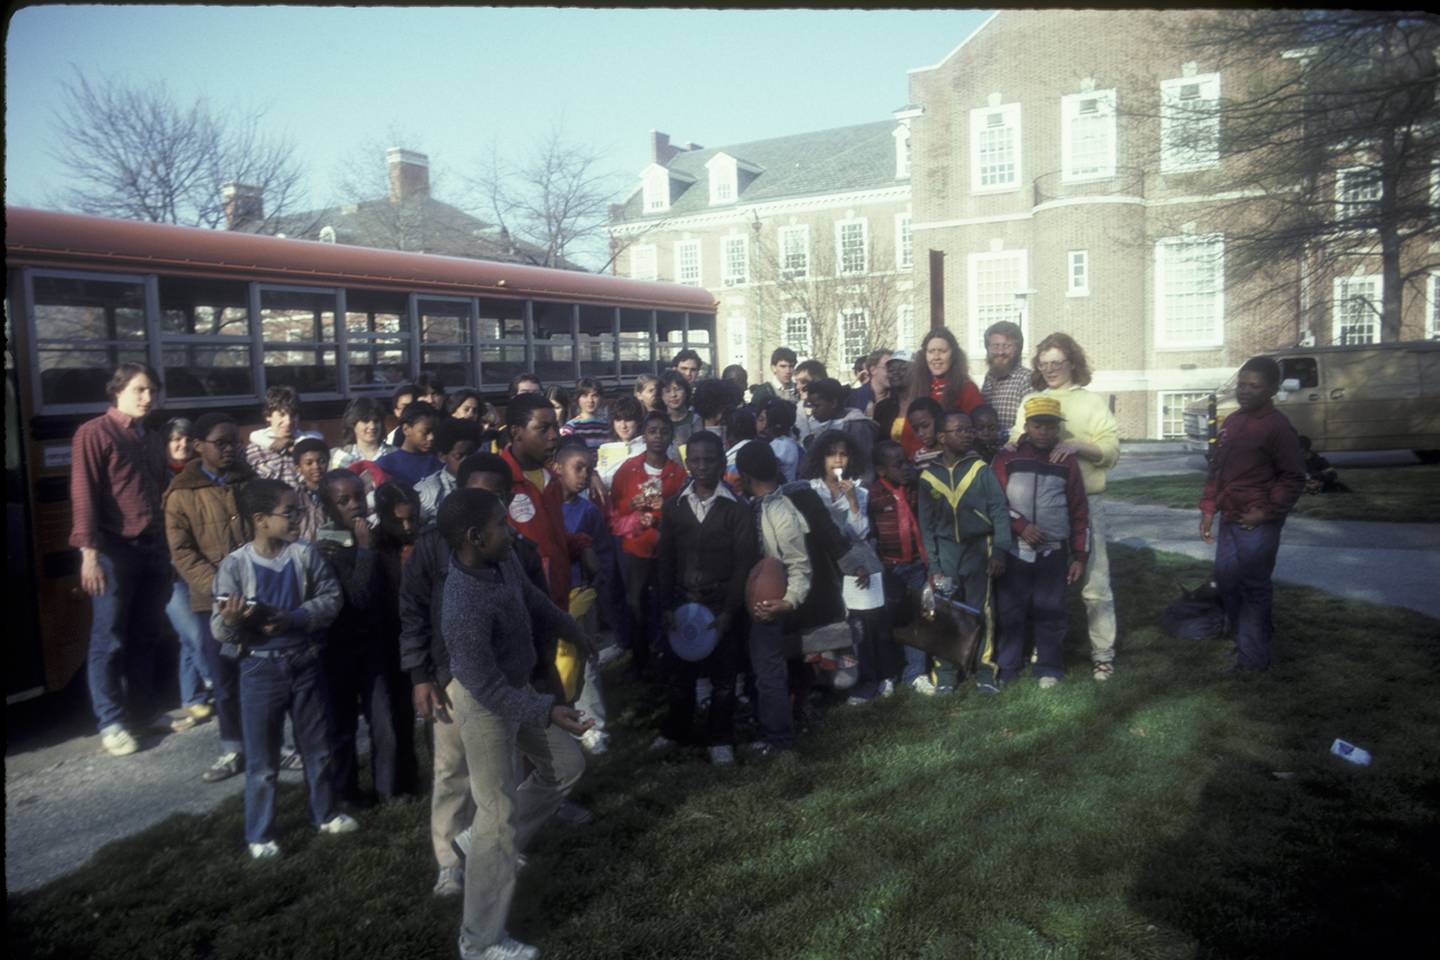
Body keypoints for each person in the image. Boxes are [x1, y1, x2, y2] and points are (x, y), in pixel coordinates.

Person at [439, 489, 593, 960]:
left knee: (566, 766)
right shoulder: (463, 603)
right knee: (499, 820)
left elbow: (530, 597)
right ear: (473, 536)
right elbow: (484, 689)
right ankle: (479, 941)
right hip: (486, 704)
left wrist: (570, 627)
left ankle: (478, 841)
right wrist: (546, 710)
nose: (511, 531)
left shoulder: (499, 561)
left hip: (516, 689)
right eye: (501, 525)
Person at [211, 478, 353, 859]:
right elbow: (218, 625)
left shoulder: (304, 556)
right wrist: (233, 620)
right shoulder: (235, 565)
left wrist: (295, 618)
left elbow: (331, 598)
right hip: (260, 670)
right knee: (262, 761)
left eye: (299, 511)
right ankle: (260, 834)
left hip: (305, 662)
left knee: (318, 748)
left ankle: (324, 814)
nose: (297, 518)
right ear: (260, 519)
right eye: (289, 513)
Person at [70, 362, 171, 756]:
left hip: (151, 547)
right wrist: (89, 556)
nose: (148, 398)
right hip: (113, 551)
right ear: (118, 391)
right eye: (140, 390)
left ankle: (144, 713)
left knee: (145, 635)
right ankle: (111, 722)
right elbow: (83, 495)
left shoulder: (149, 437)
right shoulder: (94, 433)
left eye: (152, 391)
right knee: (108, 639)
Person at [1011, 333, 1121, 682]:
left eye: (1057, 362)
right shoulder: (1031, 399)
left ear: (1073, 363)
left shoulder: (1090, 402)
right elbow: (1016, 442)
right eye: (1044, 364)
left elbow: (1111, 452)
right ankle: (1042, 649)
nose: (1051, 369)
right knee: (1036, 582)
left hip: (1086, 501)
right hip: (1038, 505)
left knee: (1094, 582)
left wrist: (1077, 445)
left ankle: (1102, 653)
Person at [652, 431, 756, 764]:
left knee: (724, 677)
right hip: (683, 602)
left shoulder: (736, 510)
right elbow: (665, 559)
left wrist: (729, 611)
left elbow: (744, 564)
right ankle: (676, 730)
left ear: (723, 463)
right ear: (687, 463)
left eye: (709, 460)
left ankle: (720, 737)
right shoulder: (675, 507)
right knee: (680, 676)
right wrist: (666, 605)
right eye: (694, 460)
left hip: (720, 602)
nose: (702, 467)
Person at [1199, 357, 1306, 674]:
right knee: (1226, 580)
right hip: (1229, 516)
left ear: (1271, 389)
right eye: (1241, 384)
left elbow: (1293, 477)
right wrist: (1208, 510)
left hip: (1256, 521)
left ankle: (1252, 660)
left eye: (1254, 386)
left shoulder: (1278, 427)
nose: (1244, 391)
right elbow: (1216, 471)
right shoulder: (1231, 422)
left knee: (1253, 587)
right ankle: (1251, 640)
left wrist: (1266, 512)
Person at [164, 412, 254, 777]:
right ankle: (233, 749)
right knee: (226, 680)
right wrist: (220, 588)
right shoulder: (181, 494)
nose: (231, 449)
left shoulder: (249, 482)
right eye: (221, 443)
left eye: (235, 441)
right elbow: (182, 551)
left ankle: (275, 744)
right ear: (199, 446)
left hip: (257, 594)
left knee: (262, 675)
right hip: (212, 602)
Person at [315, 469, 407, 804]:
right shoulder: (325, 548)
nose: (355, 506)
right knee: (341, 728)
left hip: (373, 649)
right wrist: (365, 551)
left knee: (384, 723)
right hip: (337, 652)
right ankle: (346, 793)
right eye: (343, 501)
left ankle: (389, 789)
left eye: (358, 497)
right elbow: (357, 595)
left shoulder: (371, 536)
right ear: (327, 507)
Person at [990, 397, 1090, 689]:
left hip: (1053, 550)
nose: (1044, 432)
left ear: (1057, 429)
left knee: (1051, 609)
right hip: (1014, 549)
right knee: (1010, 609)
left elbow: (1079, 510)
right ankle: (1008, 664)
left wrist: (1080, 556)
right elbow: (995, 501)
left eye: (1050, 426)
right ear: (1027, 426)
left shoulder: (1067, 461)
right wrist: (1019, 525)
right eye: (1038, 425)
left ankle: (1049, 666)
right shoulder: (1006, 457)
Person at [917, 411, 1011, 694]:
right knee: (945, 613)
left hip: (978, 550)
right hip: (946, 554)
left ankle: (984, 670)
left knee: (982, 610)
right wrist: (934, 565)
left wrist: (1000, 552)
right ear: (942, 437)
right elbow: (926, 525)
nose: (968, 434)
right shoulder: (928, 477)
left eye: (970, 429)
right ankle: (945, 673)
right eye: (960, 430)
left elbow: (999, 510)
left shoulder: (980, 469)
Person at [800, 430, 889, 703]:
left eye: (843, 453)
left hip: (853, 568)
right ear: (820, 458)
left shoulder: (859, 491)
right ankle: (827, 681)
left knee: (860, 624)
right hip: (823, 569)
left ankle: (867, 678)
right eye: (831, 453)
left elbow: (860, 532)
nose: (838, 460)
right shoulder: (810, 490)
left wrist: (851, 502)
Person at [736, 441, 812, 755]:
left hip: (770, 602)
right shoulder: (748, 504)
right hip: (747, 598)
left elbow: (799, 564)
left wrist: (790, 600)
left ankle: (781, 741)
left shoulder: (781, 510)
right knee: (758, 669)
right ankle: (766, 723)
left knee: (769, 672)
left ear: (744, 474)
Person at [610, 412, 688, 676]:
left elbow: (683, 511)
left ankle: (669, 653)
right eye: (652, 431)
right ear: (644, 435)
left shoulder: (677, 474)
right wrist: (630, 505)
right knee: (636, 601)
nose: (657, 437)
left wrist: (662, 511)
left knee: (666, 600)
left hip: (667, 549)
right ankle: (640, 657)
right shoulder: (628, 468)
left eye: (663, 432)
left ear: (670, 437)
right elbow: (615, 505)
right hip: (636, 546)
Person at [554, 445, 613, 756]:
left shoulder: (588, 511)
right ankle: (556, 724)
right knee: (553, 662)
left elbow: (602, 553)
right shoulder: (541, 506)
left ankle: (593, 727)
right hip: (548, 597)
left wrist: (596, 582)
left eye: (589, 470)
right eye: (579, 468)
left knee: (586, 661)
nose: (585, 476)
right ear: (557, 468)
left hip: (580, 596)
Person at [161, 417, 213, 730]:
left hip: (196, 565)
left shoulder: (199, 475)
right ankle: (220, 685)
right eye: (173, 440)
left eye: (185, 439)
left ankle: (193, 699)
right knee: (195, 633)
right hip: (170, 572)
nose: (180, 445)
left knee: (189, 636)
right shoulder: (157, 477)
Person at [866, 440, 930, 690]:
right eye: (898, 464)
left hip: (916, 564)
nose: (906, 468)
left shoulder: (915, 488)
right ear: (881, 471)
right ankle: (888, 674)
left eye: (908, 462)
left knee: (918, 618)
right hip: (889, 568)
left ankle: (916, 673)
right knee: (887, 622)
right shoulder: (872, 495)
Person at [898, 327, 984, 457]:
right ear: (924, 355)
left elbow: (976, 430)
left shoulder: (967, 388)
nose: (936, 357)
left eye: (942, 351)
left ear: (953, 355)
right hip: (918, 461)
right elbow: (908, 434)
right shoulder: (917, 387)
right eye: (931, 351)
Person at [802, 377, 880, 481]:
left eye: (817, 406)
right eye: (811, 406)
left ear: (834, 403)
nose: (813, 411)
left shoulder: (858, 426)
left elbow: (864, 467)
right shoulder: (819, 424)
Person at [245, 386, 322, 487]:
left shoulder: (309, 446)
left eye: (293, 415)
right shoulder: (254, 451)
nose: (288, 421)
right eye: (281, 414)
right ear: (268, 416)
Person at [416, 418, 479, 527]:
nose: (466, 461)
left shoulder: (485, 483)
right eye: (459, 456)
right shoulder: (427, 491)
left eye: (471, 454)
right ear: (442, 456)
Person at [980, 320, 1034, 438]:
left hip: (1014, 452)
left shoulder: (1027, 379)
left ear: (1018, 349)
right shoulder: (988, 379)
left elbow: (1034, 426)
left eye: (1007, 346)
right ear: (987, 348)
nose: (1000, 352)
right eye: (995, 346)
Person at [376, 401, 444, 489]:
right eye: (425, 432)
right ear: (406, 429)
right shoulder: (385, 465)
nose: (431, 437)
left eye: (434, 431)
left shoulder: (437, 465)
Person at [331, 396, 397, 470]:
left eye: (376, 421)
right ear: (353, 423)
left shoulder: (396, 455)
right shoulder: (339, 455)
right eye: (366, 421)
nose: (372, 426)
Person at [596, 395, 645, 488]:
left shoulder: (647, 448)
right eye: (618, 420)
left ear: (638, 421)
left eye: (628, 420)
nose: (623, 426)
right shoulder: (606, 449)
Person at [291, 437, 330, 543]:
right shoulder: (293, 496)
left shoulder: (335, 492)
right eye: (309, 463)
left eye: (321, 461)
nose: (316, 466)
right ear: (298, 468)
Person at [757, 397, 802, 484]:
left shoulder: (779, 445)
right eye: (760, 419)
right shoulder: (789, 442)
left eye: (767, 421)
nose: (763, 426)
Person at [561, 378, 610, 449]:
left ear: (601, 398)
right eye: (585, 396)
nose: (590, 400)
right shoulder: (571, 427)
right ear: (578, 399)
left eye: (594, 396)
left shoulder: (607, 426)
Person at [659, 369, 703, 448]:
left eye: (678, 389)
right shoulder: (659, 421)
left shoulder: (695, 419)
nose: (673, 395)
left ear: (686, 391)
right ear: (661, 396)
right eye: (668, 391)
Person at [847, 349, 893, 418]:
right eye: (888, 368)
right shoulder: (853, 398)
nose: (892, 373)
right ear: (873, 370)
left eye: (894, 368)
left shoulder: (899, 399)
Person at [792, 359, 829, 443]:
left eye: (804, 382)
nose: (798, 387)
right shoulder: (796, 410)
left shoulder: (836, 411)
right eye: (797, 382)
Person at [906, 397, 945, 468]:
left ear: (940, 419)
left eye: (925, 426)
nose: (920, 433)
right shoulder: (919, 457)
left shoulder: (956, 449)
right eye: (916, 429)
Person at [386, 383, 418, 448]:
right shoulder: (390, 440)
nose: (410, 410)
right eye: (405, 406)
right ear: (396, 412)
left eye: (413, 405)